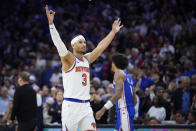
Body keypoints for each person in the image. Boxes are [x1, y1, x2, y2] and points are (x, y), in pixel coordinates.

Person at [45, 5, 123, 131]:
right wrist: (51, 25)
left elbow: (100, 47)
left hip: (86, 106)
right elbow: (59, 44)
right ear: (73, 45)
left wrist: (113, 32)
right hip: (71, 106)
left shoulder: (87, 59)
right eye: (80, 42)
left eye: (85, 42)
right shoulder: (69, 60)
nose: (83, 44)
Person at [96, 53, 137, 131]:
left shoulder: (118, 73)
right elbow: (135, 100)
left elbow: (118, 95)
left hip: (124, 111)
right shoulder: (129, 77)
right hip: (128, 110)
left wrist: (103, 109)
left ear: (114, 63)